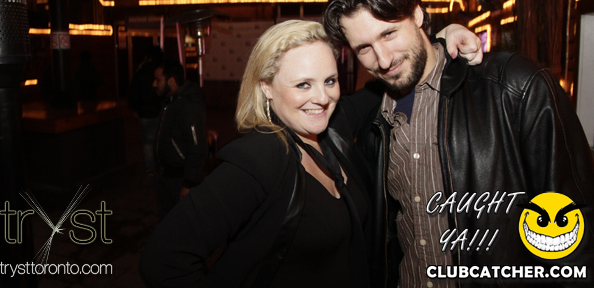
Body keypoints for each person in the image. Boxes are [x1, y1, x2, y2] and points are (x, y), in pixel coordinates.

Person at [139, 20, 482, 287]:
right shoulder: (258, 158)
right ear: (266, 87)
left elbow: (386, 83)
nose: (321, 98)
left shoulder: (332, 128)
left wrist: (436, 42)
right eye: (303, 84)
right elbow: (164, 259)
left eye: (329, 81)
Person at [323, 0, 594, 287]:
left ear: (417, 14)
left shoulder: (513, 86)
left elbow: (572, 222)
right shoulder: (375, 121)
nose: (383, 60)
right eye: (364, 48)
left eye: (389, 34)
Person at [153, 59, 208, 218]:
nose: (154, 84)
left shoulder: (188, 105)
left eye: (158, 79)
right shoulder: (169, 102)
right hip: (166, 175)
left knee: (184, 222)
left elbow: (197, 146)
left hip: (180, 178)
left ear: (171, 81)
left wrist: (189, 183)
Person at [129, 45, 164, 182]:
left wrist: (134, 108)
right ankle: (162, 167)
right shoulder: (162, 70)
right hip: (159, 110)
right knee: (161, 140)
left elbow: (134, 90)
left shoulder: (141, 69)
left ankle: (150, 170)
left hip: (145, 112)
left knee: (148, 142)